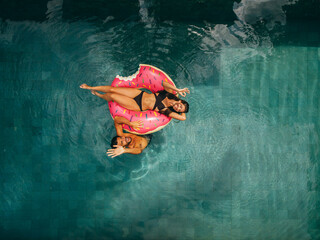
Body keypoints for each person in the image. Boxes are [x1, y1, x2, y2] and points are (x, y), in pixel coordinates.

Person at [80, 82, 190, 121]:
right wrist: (178, 90)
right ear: (180, 101)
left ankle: (99, 95)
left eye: (180, 110)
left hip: (137, 105)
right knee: (113, 89)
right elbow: (164, 84)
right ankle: (89, 87)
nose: (178, 108)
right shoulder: (170, 95)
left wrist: (183, 110)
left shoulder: (167, 111)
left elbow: (183, 118)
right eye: (180, 106)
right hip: (139, 94)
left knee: (113, 96)